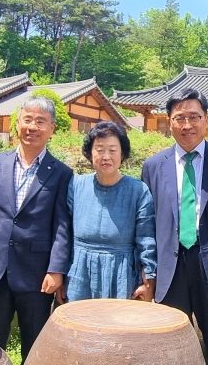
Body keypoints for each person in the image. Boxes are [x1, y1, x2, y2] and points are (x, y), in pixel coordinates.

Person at [142, 87, 208, 365]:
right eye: (179, 118)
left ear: (206, 120)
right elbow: (146, 224)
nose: (187, 125)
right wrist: (147, 270)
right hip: (170, 268)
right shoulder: (153, 166)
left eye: (194, 117)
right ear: (169, 122)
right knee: (169, 350)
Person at [0, 96, 73, 363]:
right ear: (17, 123)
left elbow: (62, 226)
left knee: (34, 344)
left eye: (40, 122)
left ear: (52, 129)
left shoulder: (61, 173)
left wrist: (56, 270)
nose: (32, 127)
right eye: (27, 119)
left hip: (36, 274)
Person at [63, 121, 156, 302]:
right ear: (90, 153)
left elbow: (146, 239)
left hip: (121, 273)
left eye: (113, 150)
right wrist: (60, 274)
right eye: (99, 149)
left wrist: (147, 279)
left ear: (122, 154)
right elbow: (63, 233)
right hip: (80, 272)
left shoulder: (138, 190)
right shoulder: (76, 185)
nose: (106, 156)